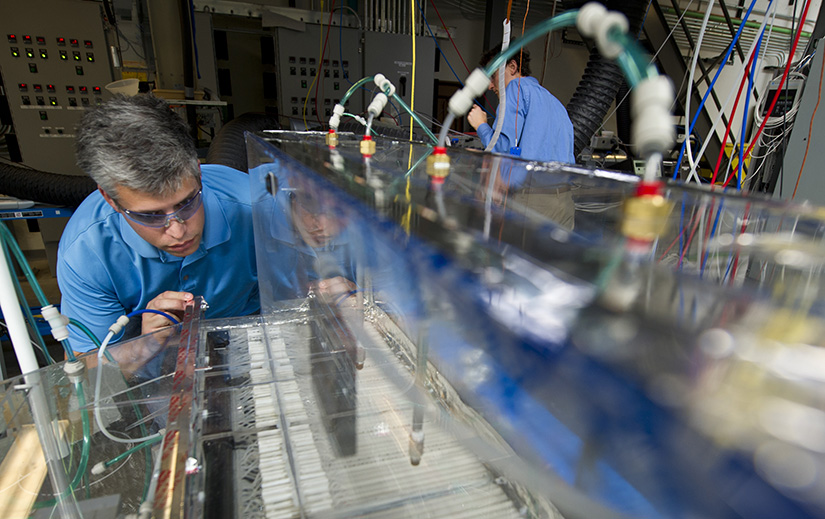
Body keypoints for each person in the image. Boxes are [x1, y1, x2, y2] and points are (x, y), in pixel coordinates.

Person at [57, 94, 260, 353]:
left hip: (250, 336)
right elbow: (87, 374)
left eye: (186, 203)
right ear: (111, 199)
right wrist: (146, 345)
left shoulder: (258, 208)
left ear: (198, 172)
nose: (177, 231)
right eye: (150, 216)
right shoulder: (87, 250)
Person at [467, 45, 575, 164]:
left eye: (493, 76)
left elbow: (502, 150)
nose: (490, 86)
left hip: (528, 182)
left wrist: (480, 125)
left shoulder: (515, 88)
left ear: (512, 67)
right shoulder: (557, 104)